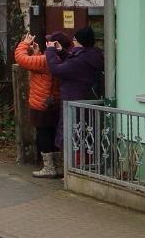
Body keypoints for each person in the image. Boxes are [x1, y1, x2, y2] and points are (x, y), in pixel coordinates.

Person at [45, 25, 105, 175]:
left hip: (74, 101)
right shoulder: (91, 55)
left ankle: (75, 172)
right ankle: (78, 169)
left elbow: (57, 70)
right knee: (83, 136)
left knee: (75, 137)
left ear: (79, 42)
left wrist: (50, 51)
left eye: (74, 39)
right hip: (85, 100)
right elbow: (74, 64)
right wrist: (61, 52)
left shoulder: (80, 59)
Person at [16, 32, 68, 178]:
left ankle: (49, 168)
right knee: (53, 133)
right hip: (55, 102)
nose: (47, 43)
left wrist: (25, 43)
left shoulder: (46, 60)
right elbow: (38, 66)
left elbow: (21, 59)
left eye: (49, 42)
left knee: (44, 134)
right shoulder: (61, 58)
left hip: (42, 102)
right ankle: (57, 166)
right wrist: (37, 53)